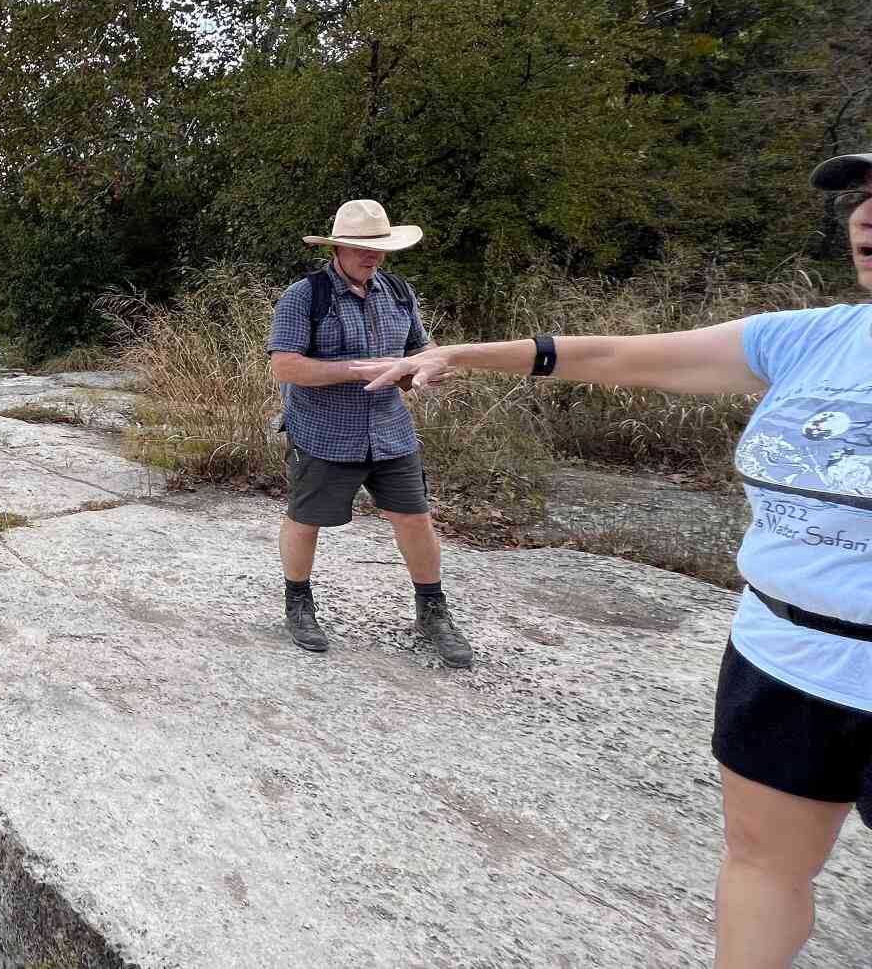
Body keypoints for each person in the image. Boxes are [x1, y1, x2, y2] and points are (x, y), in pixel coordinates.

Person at [350, 155, 872, 969]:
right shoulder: (812, 338)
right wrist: (462, 355)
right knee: (765, 867)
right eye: (865, 198)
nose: (866, 217)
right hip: (781, 654)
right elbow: (613, 356)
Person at [265, 199, 472, 667]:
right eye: (361, 247)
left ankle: (432, 613)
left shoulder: (398, 292)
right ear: (336, 247)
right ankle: (298, 606)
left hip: (390, 431)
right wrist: (359, 369)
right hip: (323, 432)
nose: (372, 255)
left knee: (415, 518)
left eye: (379, 247)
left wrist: (429, 369)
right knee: (306, 519)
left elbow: (420, 351)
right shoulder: (305, 296)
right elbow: (286, 366)